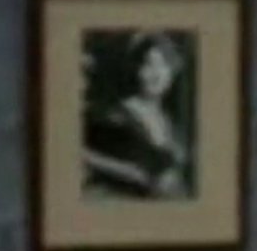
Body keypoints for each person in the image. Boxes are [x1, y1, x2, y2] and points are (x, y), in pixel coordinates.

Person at [83, 31, 194, 200]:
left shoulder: (167, 118)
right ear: (137, 69)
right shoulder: (116, 115)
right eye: (149, 64)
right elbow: (86, 156)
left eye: (164, 65)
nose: (157, 73)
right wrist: (136, 175)